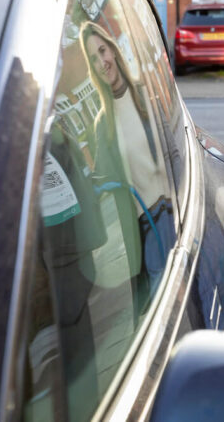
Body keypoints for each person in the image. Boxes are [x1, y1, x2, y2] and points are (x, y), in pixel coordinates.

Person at [80, 21, 174, 294]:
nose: (102, 62)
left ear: (113, 50)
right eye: (94, 59)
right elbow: (104, 183)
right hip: (148, 231)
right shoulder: (103, 124)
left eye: (102, 51)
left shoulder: (148, 95)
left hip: (176, 214)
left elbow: (176, 153)